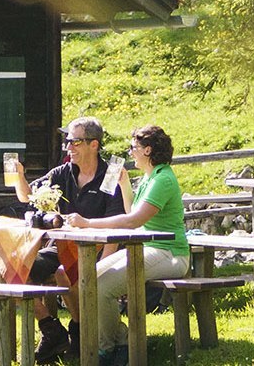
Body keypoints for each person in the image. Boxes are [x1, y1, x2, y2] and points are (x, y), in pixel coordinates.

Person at [63, 124, 188, 366]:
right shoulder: (150, 177)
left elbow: (133, 221)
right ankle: (121, 340)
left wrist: (87, 223)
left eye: (134, 147)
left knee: (103, 286)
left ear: (148, 150)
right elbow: (133, 213)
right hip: (146, 247)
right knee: (89, 277)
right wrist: (124, 185)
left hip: (170, 252)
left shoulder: (163, 179)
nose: (130, 152)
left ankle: (108, 348)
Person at [11, 116, 125, 363]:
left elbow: (117, 223)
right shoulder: (64, 171)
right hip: (59, 247)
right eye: (67, 141)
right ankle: (51, 329)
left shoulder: (111, 173)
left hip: (96, 249)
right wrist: (18, 176)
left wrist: (101, 268)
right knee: (11, 270)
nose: (68, 147)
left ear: (93, 144)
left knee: (66, 272)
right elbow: (27, 197)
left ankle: (80, 330)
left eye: (74, 142)